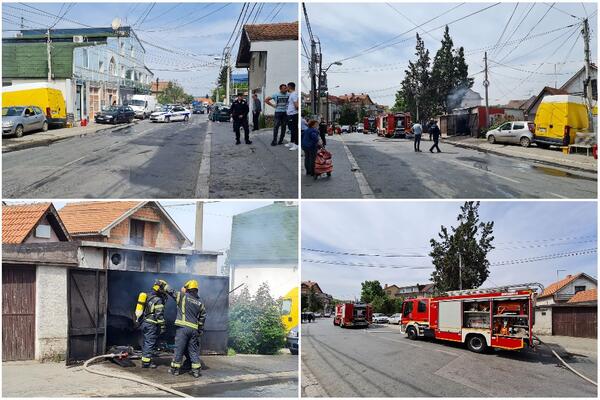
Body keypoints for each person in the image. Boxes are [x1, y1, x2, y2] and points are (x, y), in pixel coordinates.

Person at [167, 280, 206, 378]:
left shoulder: (183, 296)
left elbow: (170, 291)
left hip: (183, 328)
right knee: (192, 350)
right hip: (194, 330)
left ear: (187, 288)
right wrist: (200, 330)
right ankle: (196, 371)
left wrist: (162, 284)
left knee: (179, 349)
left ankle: (174, 369)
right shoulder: (200, 302)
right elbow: (202, 317)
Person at [134, 279, 168, 369]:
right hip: (151, 324)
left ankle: (145, 359)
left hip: (144, 323)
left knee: (146, 342)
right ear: (161, 289)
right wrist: (163, 326)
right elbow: (159, 315)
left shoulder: (147, 296)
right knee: (150, 343)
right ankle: (146, 363)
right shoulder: (158, 300)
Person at [286, 82, 299, 151]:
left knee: (294, 130)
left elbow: (296, 105)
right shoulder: (292, 94)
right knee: (291, 129)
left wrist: (296, 112)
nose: (286, 88)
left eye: (287, 87)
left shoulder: (294, 94)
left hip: (293, 114)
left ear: (290, 87)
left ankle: (296, 144)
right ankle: (291, 142)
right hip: (290, 114)